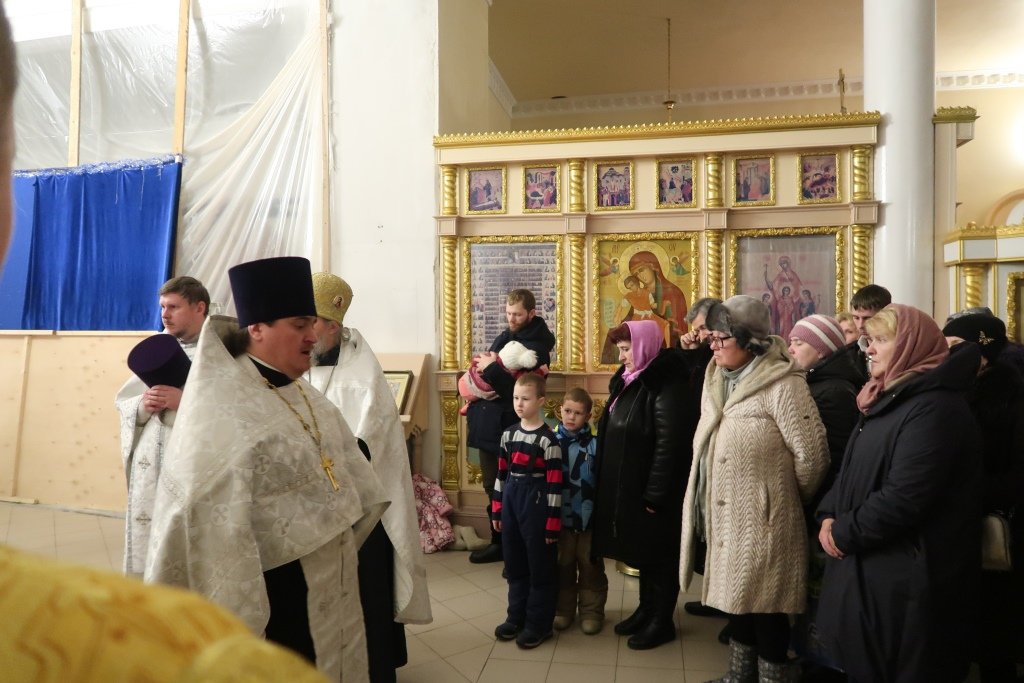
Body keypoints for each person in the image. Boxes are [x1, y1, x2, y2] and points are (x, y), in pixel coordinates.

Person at [145, 256, 389, 683]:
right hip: (272, 596)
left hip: (329, 580)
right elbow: (203, 520)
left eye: (312, 324)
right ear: (257, 328)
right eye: (299, 325)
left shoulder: (303, 393)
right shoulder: (219, 408)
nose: (312, 336)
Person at [815, 304, 982, 683]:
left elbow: (906, 496)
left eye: (881, 340)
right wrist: (827, 514)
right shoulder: (885, 397)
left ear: (910, 345)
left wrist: (843, 532)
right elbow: (849, 470)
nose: (869, 349)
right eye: (868, 340)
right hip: (871, 567)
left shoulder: (934, 407)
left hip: (908, 579)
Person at [679, 295, 829, 681]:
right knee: (738, 602)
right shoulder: (717, 378)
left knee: (767, 609)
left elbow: (812, 458)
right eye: (711, 338)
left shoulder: (783, 384)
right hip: (726, 515)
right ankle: (738, 675)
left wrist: (774, 499)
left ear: (750, 340)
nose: (712, 346)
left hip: (766, 522)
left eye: (721, 338)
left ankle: (771, 677)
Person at [307, 272, 432, 683]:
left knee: (366, 589)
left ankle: (375, 668)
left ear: (333, 325)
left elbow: (372, 441)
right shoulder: (297, 364)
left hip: (363, 507)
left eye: (313, 322)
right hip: (312, 507)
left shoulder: (362, 372)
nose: (306, 332)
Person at [592, 319, 692, 650]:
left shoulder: (665, 384)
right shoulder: (631, 380)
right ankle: (646, 610)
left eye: (625, 349)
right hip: (634, 486)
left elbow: (670, 445)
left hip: (654, 491)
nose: (621, 357)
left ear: (644, 346)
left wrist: (655, 494)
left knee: (660, 556)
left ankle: (661, 621)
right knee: (644, 552)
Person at [942, 313, 1024, 682]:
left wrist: (967, 491)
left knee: (996, 634)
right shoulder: (955, 391)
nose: (948, 355)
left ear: (983, 352)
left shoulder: (1012, 398)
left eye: (956, 347)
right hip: (960, 526)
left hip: (999, 527)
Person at [115, 275, 209, 576]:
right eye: (162, 307)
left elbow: (236, 409)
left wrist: (185, 401)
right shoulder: (159, 349)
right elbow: (125, 403)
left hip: (191, 464)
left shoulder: (220, 353)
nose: (165, 314)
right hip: (150, 466)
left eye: (173, 307)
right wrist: (144, 404)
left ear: (199, 308)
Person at [786, 314, 861, 678]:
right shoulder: (818, 381)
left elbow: (831, 459)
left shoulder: (833, 391)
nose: (791, 349)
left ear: (820, 349)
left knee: (820, 589)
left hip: (823, 507)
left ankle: (821, 665)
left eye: (798, 343)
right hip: (817, 504)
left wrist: (813, 504)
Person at [466, 289, 555, 564]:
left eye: (517, 314)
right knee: (490, 485)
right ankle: (500, 542)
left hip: (510, 427)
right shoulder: (507, 335)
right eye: (508, 313)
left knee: (510, 486)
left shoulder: (537, 349)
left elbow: (519, 392)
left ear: (531, 313)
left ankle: (510, 544)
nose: (511, 319)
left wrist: (490, 368)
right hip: (490, 426)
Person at [491, 373, 563, 649]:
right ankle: (515, 617)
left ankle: (539, 624)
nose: (519, 404)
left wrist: (552, 524)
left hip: (537, 506)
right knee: (515, 564)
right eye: (515, 398)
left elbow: (555, 485)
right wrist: (497, 511)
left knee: (540, 567)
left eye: (525, 399)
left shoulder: (548, 441)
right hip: (511, 502)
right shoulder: (508, 434)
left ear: (541, 401)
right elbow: (501, 474)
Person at [552, 387, 607, 636]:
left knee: (590, 566)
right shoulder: (551, 441)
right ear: (560, 411)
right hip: (559, 520)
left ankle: (591, 612)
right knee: (562, 566)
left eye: (577, 413)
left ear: (588, 416)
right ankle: (563, 610)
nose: (571, 417)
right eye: (567, 411)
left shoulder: (595, 445)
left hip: (588, 520)